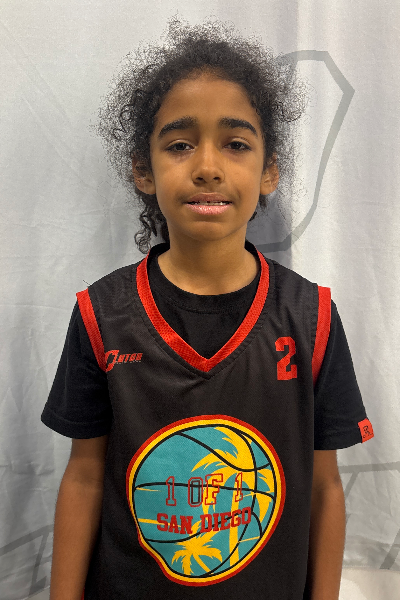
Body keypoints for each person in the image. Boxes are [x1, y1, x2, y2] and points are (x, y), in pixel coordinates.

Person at [41, 15, 374, 600]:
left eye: (236, 144)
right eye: (180, 144)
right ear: (143, 170)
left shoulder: (312, 317)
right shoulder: (101, 314)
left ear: (269, 171)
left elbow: (325, 488)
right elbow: (86, 476)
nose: (208, 166)